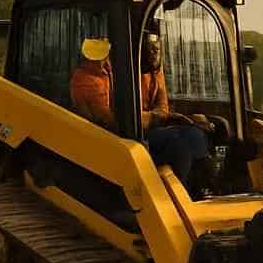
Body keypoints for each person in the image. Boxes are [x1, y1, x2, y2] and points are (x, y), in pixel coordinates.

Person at [69, 34, 214, 197]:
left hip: (143, 129)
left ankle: (201, 190)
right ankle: (176, 198)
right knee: (178, 143)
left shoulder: (152, 71)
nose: (154, 53)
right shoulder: (89, 77)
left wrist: (162, 117)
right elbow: (113, 121)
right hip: (113, 139)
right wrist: (154, 117)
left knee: (196, 133)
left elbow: (162, 108)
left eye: (157, 49)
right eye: (149, 49)